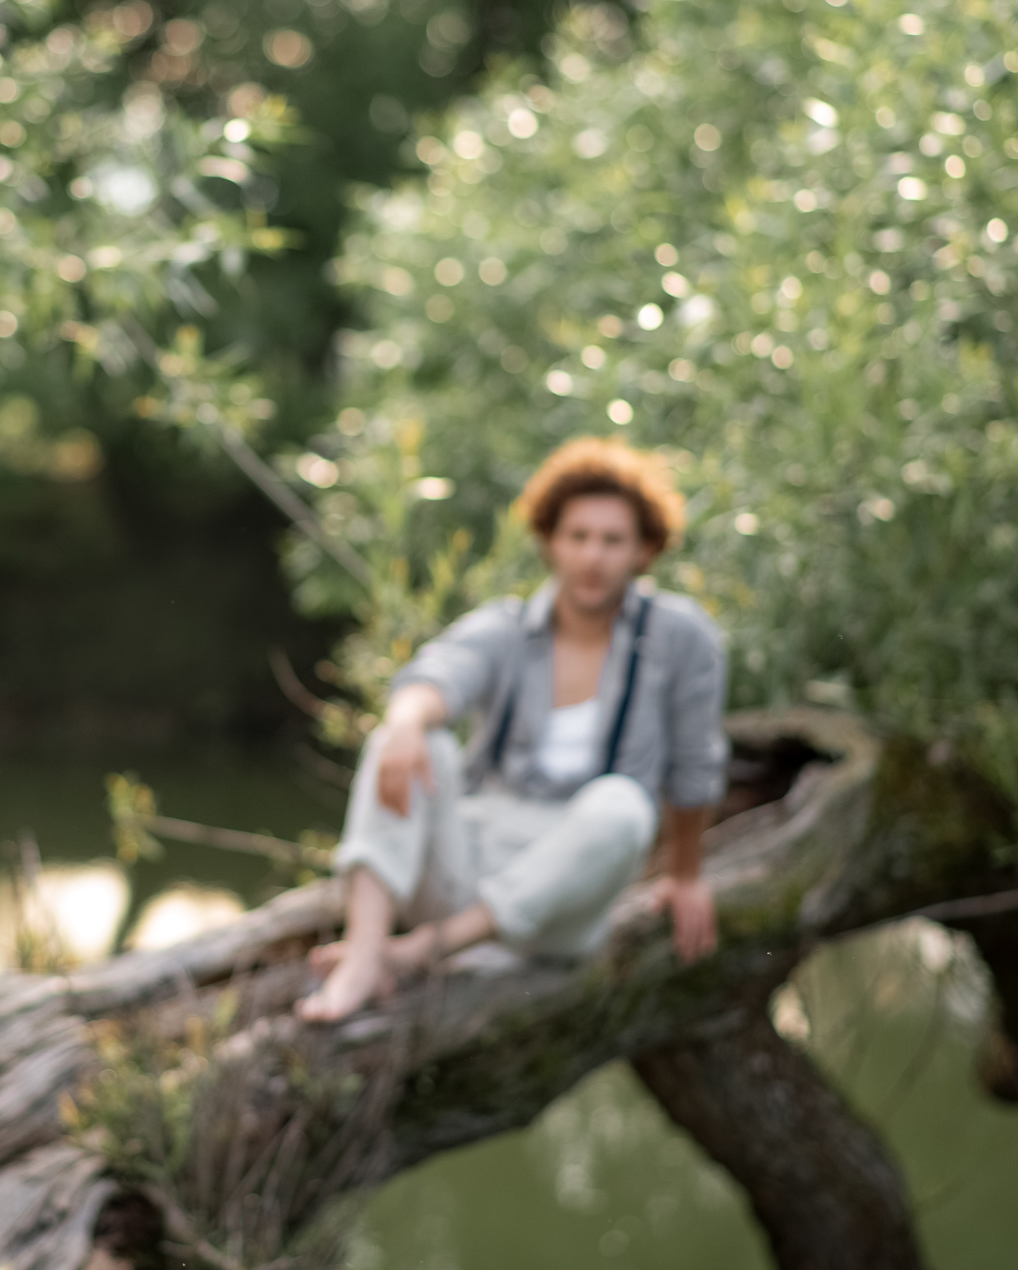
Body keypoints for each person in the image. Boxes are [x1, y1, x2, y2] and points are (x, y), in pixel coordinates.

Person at [298, 437, 729, 1023]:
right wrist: (404, 723)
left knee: (626, 805)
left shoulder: (681, 636)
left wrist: (686, 877)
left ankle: (420, 953)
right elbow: (436, 675)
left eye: (612, 540)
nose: (592, 557)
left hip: (562, 905)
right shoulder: (507, 627)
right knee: (409, 738)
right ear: (550, 542)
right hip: (464, 873)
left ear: (644, 551)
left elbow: (693, 765)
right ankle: (366, 955)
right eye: (578, 537)